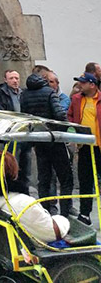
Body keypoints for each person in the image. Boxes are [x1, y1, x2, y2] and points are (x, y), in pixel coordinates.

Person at [0, 150, 70, 243]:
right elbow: (52, 233)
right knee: (65, 221)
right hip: (41, 237)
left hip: (15, 239)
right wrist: (64, 222)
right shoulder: (24, 202)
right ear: (14, 169)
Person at [20, 69, 72, 217]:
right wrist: (68, 130)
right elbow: (59, 115)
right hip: (54, 140)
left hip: (39, 141)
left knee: (44, 179)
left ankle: (45, 214)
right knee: (66, 179)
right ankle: (65, 215)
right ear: (44, 79)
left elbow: (26, 118)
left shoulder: (24, 95)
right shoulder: (49, 92)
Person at [67, 71, 101, 225]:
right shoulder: (76, 99)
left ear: (92, 84)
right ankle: (85, 214)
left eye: (83, 82)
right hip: (84, 145)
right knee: (85, 180)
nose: (80, 85)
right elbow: (70, 117)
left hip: (99, 145)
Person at [0, 68, 31, 185]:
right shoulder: (1, 92)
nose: (14, 81)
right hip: (11, 133)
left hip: (24, 133)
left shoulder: (23, 93)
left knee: (26, 164)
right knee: (12, 162)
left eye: (17, 78)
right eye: (11, 78)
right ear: (5, 80)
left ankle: (25, 188)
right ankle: (12, 186)